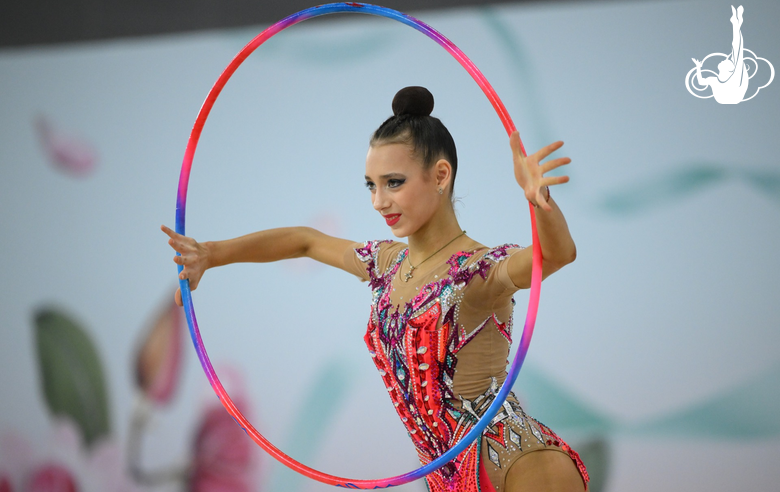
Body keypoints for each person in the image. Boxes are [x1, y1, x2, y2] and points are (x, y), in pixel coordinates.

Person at [162, 86, 588, 492]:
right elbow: (305, 240)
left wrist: (539, 201)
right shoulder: (386, 264)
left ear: (440, 175)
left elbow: (555, 255)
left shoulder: (479, 271)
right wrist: (211, 254)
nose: (379, 201)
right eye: (371, 184)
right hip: (446, 476)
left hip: (523, 468)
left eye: (394, 182)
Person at [692, 5, 748, 104]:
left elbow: (737, 49)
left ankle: (736, 23)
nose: (724, 59)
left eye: (727, 61)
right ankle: (736, 23)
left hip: (733, 96)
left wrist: (698, 67)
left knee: (737, 51)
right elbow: (701, 82)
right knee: (737, 51)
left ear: (729, 69)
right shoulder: (715, 80)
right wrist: (698, 67)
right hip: (729, 97)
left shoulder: (733, 78)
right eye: (728, 60)